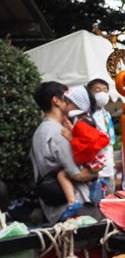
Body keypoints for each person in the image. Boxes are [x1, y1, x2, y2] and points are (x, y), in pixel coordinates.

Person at [31, 82, 103, 224]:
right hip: (76, 209)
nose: (72, 102)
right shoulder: (59, 133)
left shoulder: (39, 132)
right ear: (56, 101)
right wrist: (96, 172)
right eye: (68, 98)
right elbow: (77, 174)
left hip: (53, 209)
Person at [87, 78, 116, 197]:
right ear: (90, 93)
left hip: (109, 162)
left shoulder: (106, 114)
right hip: (94, 164)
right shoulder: (87, 115)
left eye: (105, 90)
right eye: (98, 90)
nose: (102, 93)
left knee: (110, 195)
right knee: (97, 197)